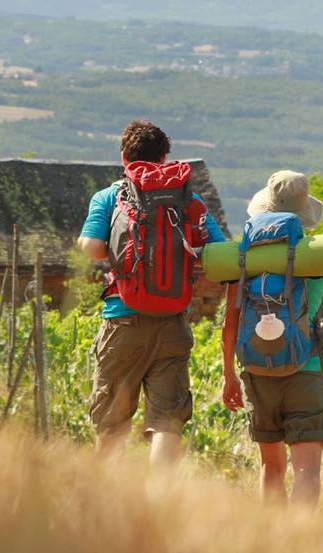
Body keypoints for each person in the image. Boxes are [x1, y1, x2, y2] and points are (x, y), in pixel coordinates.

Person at [78, 119, 226, 468]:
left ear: (123, 156)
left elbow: (91, 246)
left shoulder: (109, 196)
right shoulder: (188, 200)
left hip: (122, 319)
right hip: (172, 323)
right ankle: (159, 500)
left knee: (111, 423)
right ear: (164, 157)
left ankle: (107, 504)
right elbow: (219, 254)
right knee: (166, 422)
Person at [220, 170, 323, 507]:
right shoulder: (321, 256)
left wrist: (229, 375)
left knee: (270, 469)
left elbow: (229, 324)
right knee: (307, 471)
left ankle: (271, 541)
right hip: (307, 371)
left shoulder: (245, 259)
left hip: (257, 372)